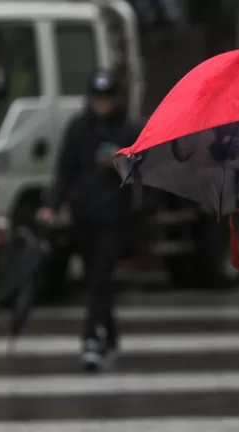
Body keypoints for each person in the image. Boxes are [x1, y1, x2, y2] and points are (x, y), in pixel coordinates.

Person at [36, 69, 141, 372]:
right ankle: (109, 333)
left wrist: (121, 165)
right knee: (95, 278)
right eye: (97, 98)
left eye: (107, 99)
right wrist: (52, 206)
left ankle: (90, 340)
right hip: (83, 217)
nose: (102, 105)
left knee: (100, 278)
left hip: (114, 218)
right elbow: (65, 171)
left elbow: (142, 172)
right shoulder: (78, 129)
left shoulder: (128, 128)